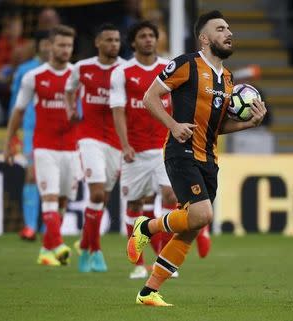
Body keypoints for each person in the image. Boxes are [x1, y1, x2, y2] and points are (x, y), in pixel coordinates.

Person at [127, 10, 267, 306]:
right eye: (220, 29)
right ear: (204, 38)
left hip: (209, 159)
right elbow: (149, 98)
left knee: (190, 228)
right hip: (181, 153)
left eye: (229, 28)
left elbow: (217, 126)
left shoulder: (228, 79)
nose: (228, 33)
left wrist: (248, 123)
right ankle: (147, 227)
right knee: (202, 215)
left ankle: (148, 292)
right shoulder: (186, 64)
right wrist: (173, 125)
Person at [4, 25, 81, 267]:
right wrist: (9, 142)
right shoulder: (33, 77)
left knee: (62, 202)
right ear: (49, 46)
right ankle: (58, 244)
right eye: (61, 45)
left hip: (71, 148)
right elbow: (17, 111)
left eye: (69, 45)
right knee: (48, 196)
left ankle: (46, 251)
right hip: (44, 146)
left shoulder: (78, 75)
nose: (65, 49)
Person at [109, 21, 180, 279]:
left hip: (164, 148)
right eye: (143, 36)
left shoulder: (169, 68)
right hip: (135, 151)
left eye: (152, 35)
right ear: (133, 42)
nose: (149, 39)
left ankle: (164, 261)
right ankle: (138, 264)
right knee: (135, 203)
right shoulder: (122, 72)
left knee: (171, 196)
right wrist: (124, 144)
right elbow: (117, 111)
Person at [65, 23, 125, 273]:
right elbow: (69, 89)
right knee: (97, 194)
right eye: (109, 40)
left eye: (117, 40)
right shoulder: (83, 68)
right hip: (88, 137)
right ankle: (95, 251)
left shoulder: (125, 69)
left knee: (102, 198)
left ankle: (85, 243)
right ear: (98, 43)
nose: (114, 44)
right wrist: (70, 109)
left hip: (116, 141)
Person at [8, 30, 52, 241]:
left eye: (51, 43)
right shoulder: (26, 71)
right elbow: (15, 105)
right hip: (32, 130)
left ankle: (50, 227)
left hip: (59, 132)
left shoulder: (69, 72)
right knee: (32, 175)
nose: (48, 47)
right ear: (38, 45)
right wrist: (13, 132)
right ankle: (31, 226)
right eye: (45, 43)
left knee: (54, 180)